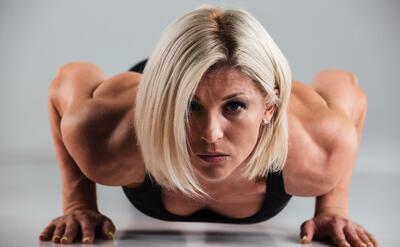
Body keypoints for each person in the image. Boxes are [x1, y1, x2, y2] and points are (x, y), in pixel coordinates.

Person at [39, 5, 378, 247]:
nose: (210, 134)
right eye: (190, 108)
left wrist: (332, 209)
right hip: (169, 81)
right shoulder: (109, 134)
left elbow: (345, 84)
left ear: (270, 108)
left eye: (234, 107)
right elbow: (65, 79)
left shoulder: (319, 144)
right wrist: (78, 203)